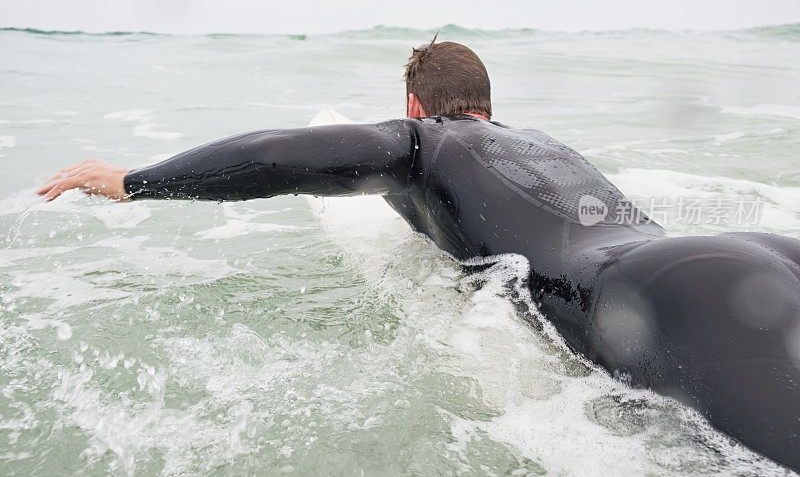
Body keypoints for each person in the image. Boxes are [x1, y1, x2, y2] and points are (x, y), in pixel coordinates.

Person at [37, 38, 800, 471]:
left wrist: (133, 182)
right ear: (488, 103)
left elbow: (276, 157)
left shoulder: (423, 140)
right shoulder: (543, 144)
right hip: (752, 251)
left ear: (411, 104)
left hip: (667, 297)